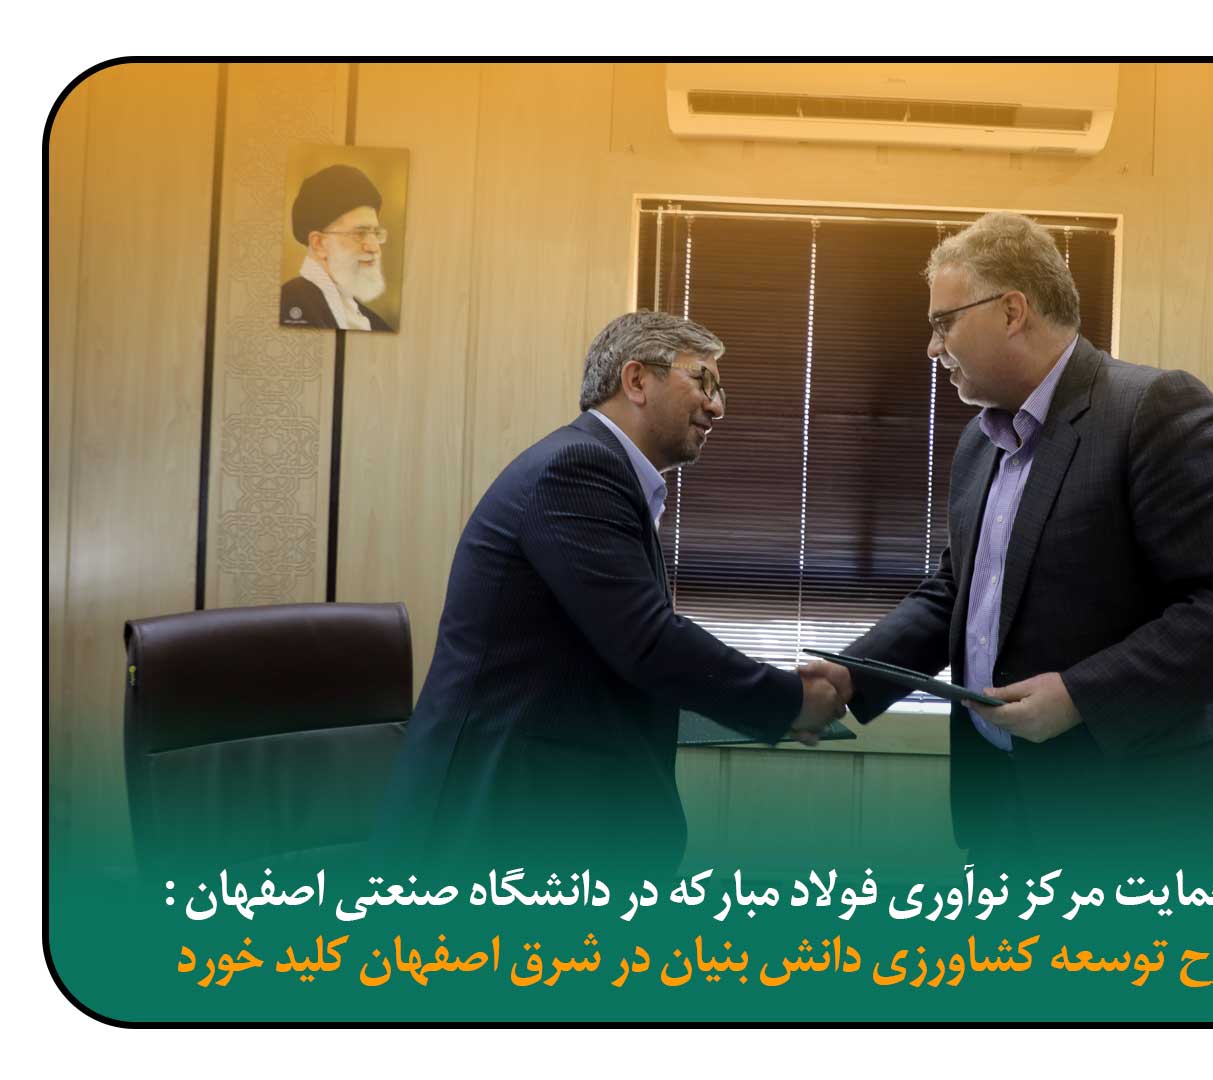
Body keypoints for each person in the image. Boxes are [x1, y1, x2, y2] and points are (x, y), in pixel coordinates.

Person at [803, 212, 1213, 858]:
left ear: (1012, 311)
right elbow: (958, 592)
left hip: (1144, 816)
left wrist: (1082, 696)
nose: (932, 348)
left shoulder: (1153, 409)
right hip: (1005, 810)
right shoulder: (980, 443)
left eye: (944, 323)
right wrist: (852, 674)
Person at [376, 311, 848, 870]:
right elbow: (646, 641)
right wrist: (789, 701)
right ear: (636, 380)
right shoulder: (577, 468)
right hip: (496, 819)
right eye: (703, 380)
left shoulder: (604, 472)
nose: (717, 406)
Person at [279, 163, 395, 332]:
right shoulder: (290, 304)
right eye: (359, 233)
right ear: (319, 243)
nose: (374, 247)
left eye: (376, 233)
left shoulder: (375, 323)